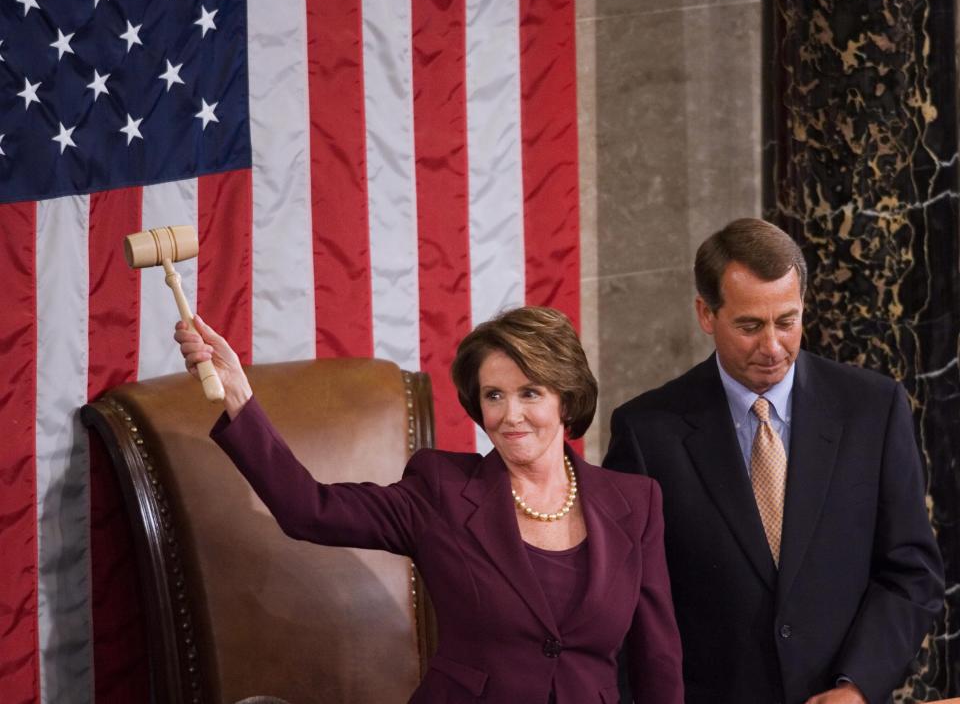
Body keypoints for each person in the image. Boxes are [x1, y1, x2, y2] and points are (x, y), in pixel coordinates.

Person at [175, 306, 683, 704]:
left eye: (530, 393)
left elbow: (657, 659)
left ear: (566, 401)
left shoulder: (635, 503)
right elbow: (310, 509)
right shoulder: (440, 490)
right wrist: (239, 395)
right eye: (494, 396)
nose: (511, 416)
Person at [603, 218, 944, 704]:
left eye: (787, 321)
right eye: (749, 326)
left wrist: (857, 686)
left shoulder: (873, 408)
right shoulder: (647, 432)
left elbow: (911, 572)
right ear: (706, 314)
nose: (772, 347)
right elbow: (625, 605)